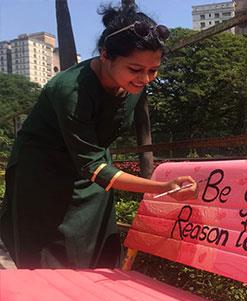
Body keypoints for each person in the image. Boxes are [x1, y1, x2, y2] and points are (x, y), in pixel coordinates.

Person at [0, 3, 197, 269]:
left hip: (91, 168)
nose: (146, 79)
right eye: (136, 69)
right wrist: (162, 187)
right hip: (43, 173)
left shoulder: (133, 85)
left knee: (98, 252)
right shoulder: (71, 90)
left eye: (153, 70)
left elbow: (94, 160)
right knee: (49, 256)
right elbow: (93, 166)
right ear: (105, 55)